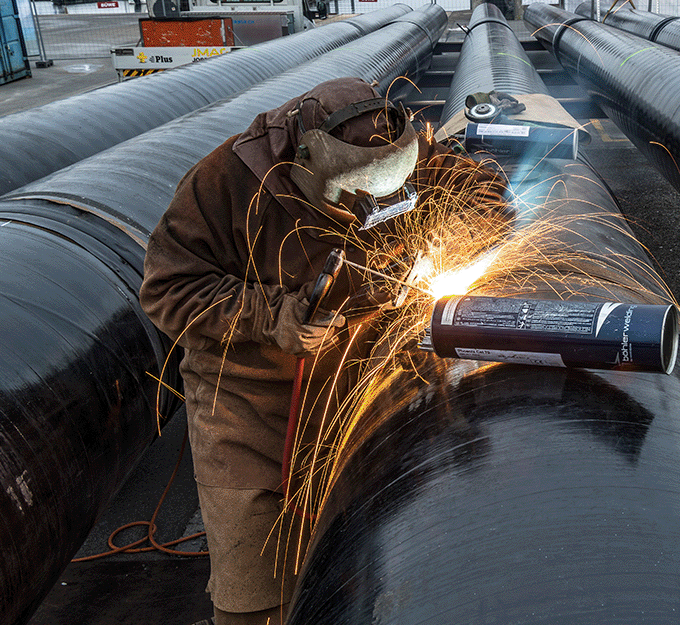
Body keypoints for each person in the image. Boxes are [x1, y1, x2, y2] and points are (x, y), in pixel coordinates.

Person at [139, 77, 504, 625]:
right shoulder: (227, 183)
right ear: (306, 160)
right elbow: (166, 288)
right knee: (255, 597)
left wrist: (465, 235)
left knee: (354, 567)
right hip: (249, 409)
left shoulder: (410, 146)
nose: (370, 210)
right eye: (357, 195)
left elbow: (484, 195)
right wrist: (274, 317)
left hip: (352, 387)